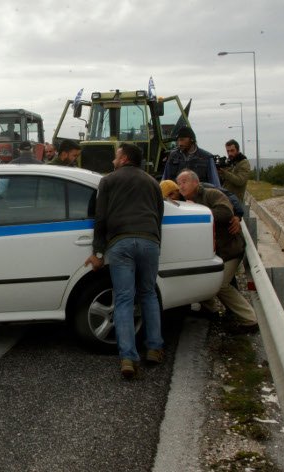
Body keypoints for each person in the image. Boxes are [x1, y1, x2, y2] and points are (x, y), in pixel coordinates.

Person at [85, 143, 165, 379]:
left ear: (125, 158)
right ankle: (154, 348)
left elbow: (101, 218)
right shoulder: (152, 182)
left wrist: (98, 253)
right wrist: (156, 243)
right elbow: (159, 215)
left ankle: (128, 358)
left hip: (121, 243)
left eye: (116, 156)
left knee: (123, 299)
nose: (113, 160)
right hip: (149, 242)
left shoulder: (108, 181)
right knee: (148, 294)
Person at [176, 170, 258, 333]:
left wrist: (197, 211)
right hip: (210, 253)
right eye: (179, 183)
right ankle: (210, 309)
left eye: (184, 182)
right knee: (199, 277)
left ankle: (250, 320)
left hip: (229, 250)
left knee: (220, 285)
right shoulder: (182, 201)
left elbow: (225, 213)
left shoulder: (212, 194)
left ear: (196, 182)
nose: (181, 186)